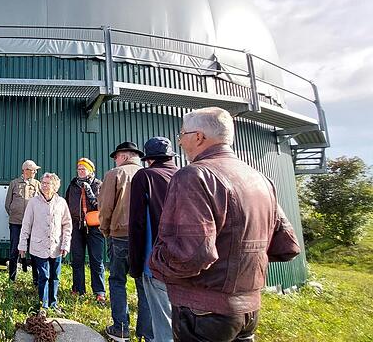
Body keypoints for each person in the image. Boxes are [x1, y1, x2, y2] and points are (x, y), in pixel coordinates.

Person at [150, 107, 301, 341]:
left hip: (203, 312)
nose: (180, 142)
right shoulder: (260, 178)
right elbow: (287, 245)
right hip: (249, 310)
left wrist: (156, 261)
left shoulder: (194, 175)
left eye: (182, 134)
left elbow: (190, 255)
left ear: (198, 136)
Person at [99, 142, 152, 341]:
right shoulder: (149, 174)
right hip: (144, 238)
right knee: (144, 284)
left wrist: (105, 230)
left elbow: (105, 208)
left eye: (116, 156)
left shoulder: (115, 174)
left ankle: (121, 329)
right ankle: (146, 332)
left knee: (117, 281)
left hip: (120, 236)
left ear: (124, 156)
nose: (114, 159)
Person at [127, 137, 179, 342]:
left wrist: (135, 265)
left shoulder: (145, 176)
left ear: (148, 159)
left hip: (155, 262)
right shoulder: (185, 175)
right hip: (187, 264)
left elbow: (137, 223)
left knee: (162, 325)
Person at [18, 172, 72, 314]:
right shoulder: (33, 202)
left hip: (56, 246)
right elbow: (26, 224)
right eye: (43, 183)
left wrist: (66, 244)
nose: (44, 185)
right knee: (43, 276)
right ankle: (43, 305)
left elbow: (67, 225)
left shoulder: (61, 203)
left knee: (55, 276)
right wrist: (22, 245)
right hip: (38, 246)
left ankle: (53, 303)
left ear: (55, 186)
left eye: (48, 183)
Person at [64, 157, 105, 301]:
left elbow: (102, 205)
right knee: (78, 259)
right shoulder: (73, 185)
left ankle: (99, 292)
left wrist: (90, 193)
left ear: (90, 170)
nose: (80, 171)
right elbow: (67, 201)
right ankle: (78, 289)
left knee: (96, 259)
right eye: (79, 169)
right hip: (77, 226)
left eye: (83, 169)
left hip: (94, 227)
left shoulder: (98, 184)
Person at [5, 159, 42, 283]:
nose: (35, 172)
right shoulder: (14, 183)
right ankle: (12, 278)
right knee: (14, 250)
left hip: (33, 224)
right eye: (33, 170)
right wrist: (14, 214)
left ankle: (36, 280)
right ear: (26, 170)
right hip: (16, 223)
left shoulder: (37, 184)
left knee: (34, 251)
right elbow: (7, 204)